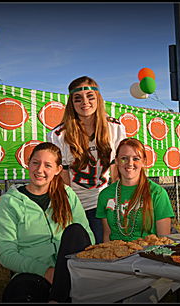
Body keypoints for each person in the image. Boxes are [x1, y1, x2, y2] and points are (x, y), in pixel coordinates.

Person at [0, 142, 95, 303]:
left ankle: (56, 297)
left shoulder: (68, 195)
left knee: (75, 230)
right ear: (28, 164)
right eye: (35, 163)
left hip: (70, 273)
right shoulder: (10, 202)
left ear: (57, 170)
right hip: (32, 275)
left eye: (48, 165)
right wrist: (45, 271)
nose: (40, 170)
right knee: (19, 293)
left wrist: (62, 272)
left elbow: (87, 236)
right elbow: (6, 254)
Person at [48, 76, 126, 244]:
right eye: (78, 99)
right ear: (71, 103)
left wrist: (117, 203)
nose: (85, 102)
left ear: (98, 98)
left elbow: (117, 170)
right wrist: (70, 208)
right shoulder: (58, 135)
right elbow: (63, 177)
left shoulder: (115, 127)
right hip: (76, 203)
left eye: (90, 97)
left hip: (105, 201)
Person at [96, 138, 175, 242]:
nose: (130, 163)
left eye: (136, 159)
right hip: (116, 255)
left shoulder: (157, 193)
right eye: (124, 158)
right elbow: (107, 235)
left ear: (144, 162)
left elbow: (164, 240)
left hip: (147, 255)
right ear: (116, 161)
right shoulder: (105, 195)